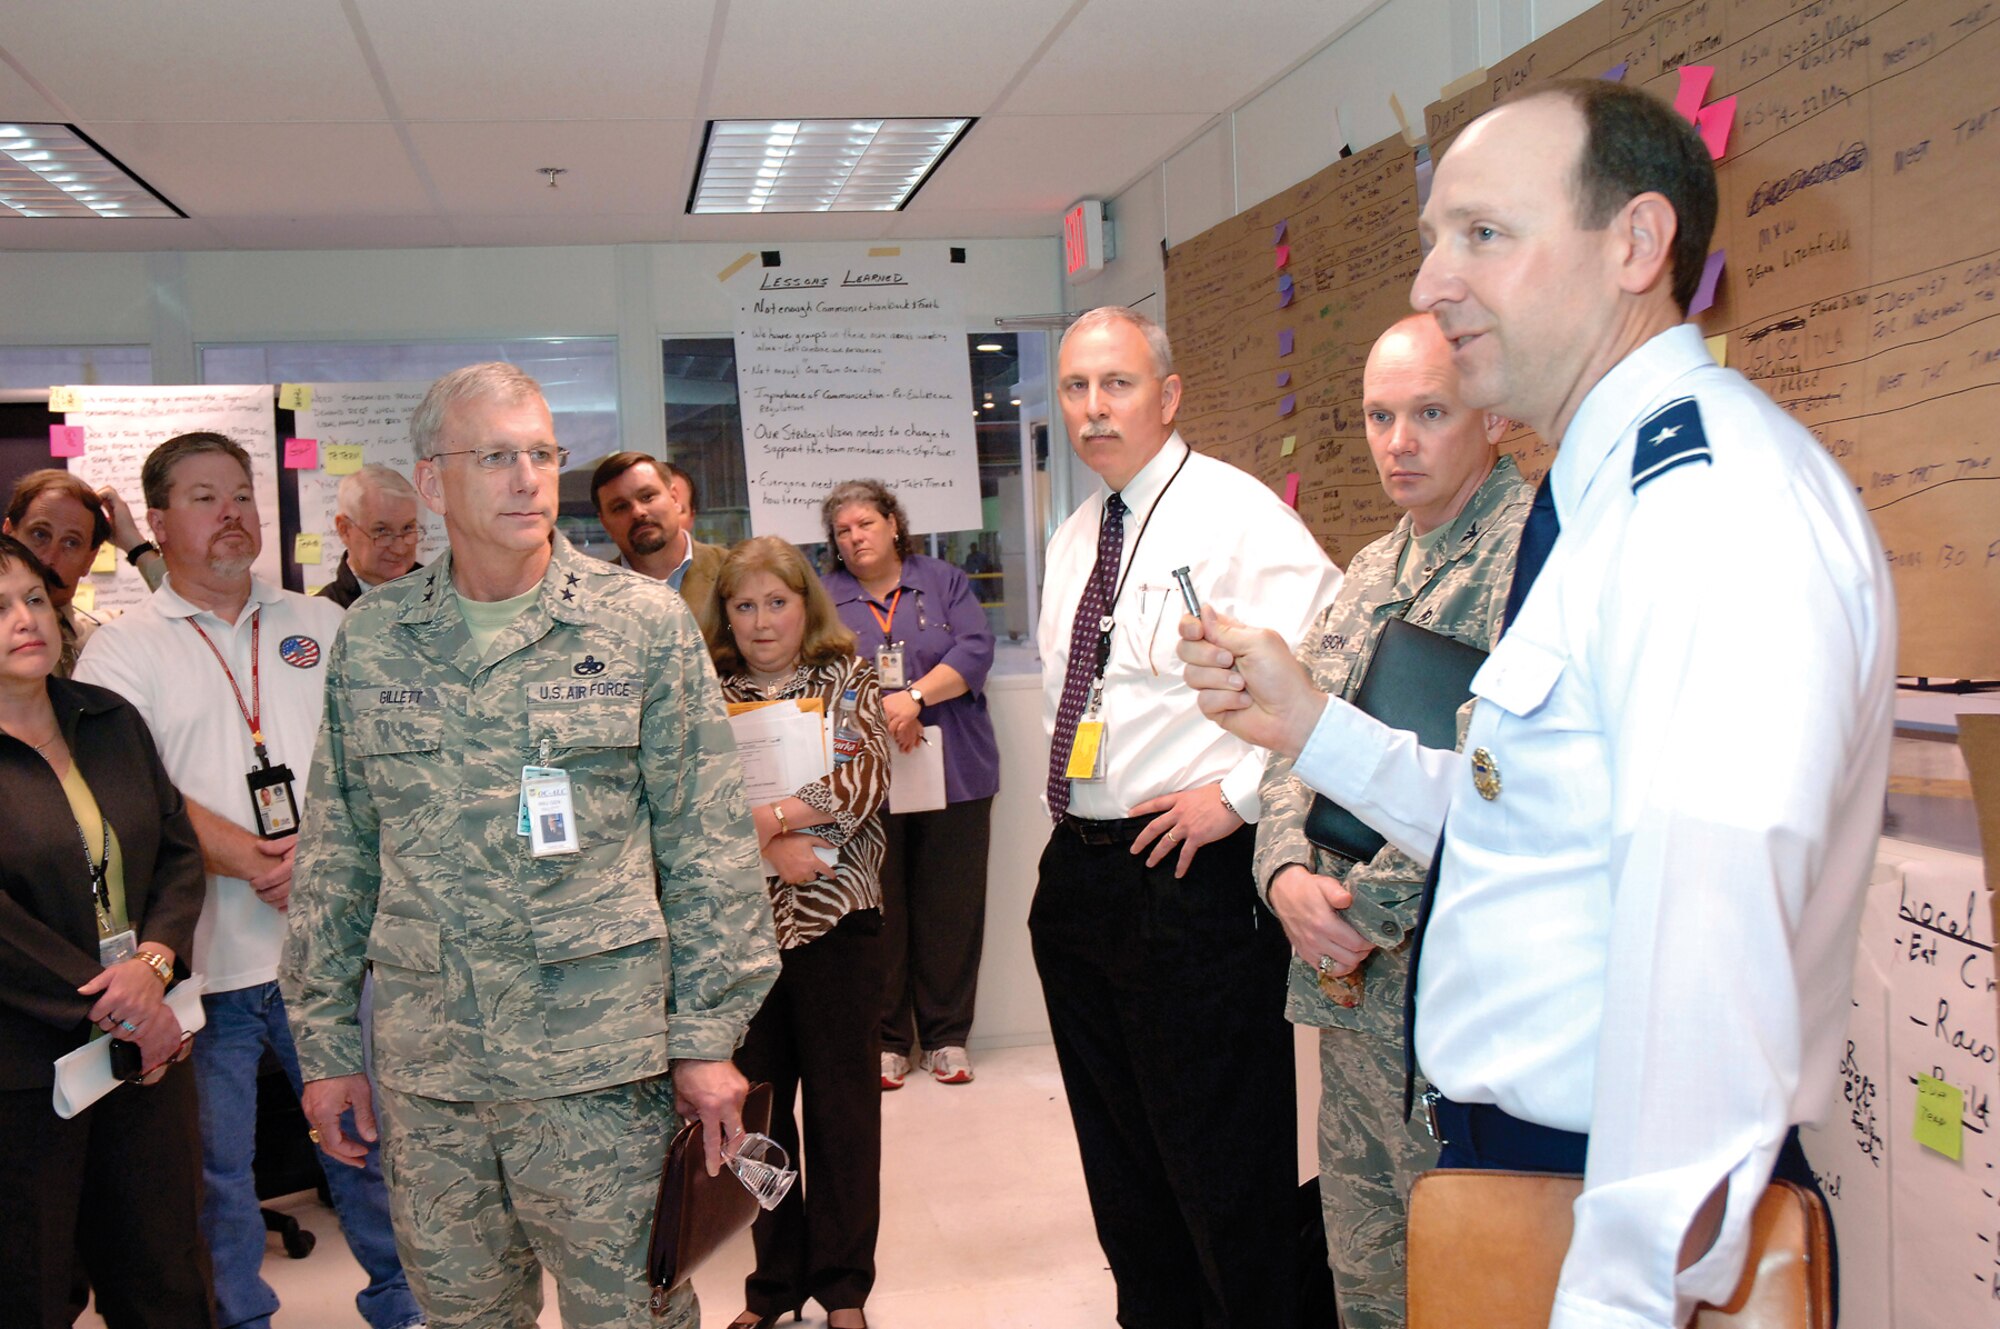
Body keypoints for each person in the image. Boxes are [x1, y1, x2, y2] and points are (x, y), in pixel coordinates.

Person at [1178, 79, 1893, 1328]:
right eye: (1431, 240)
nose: (1432, 283)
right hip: (1523, 1171)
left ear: (1635, 244)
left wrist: (1617, 1299)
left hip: (1621, 1207)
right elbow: (1532, 825)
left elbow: (1708, 972)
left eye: (1482, 235)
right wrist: (1309, 727)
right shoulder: (1608, 497)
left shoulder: (1705, 511)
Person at [280, 363, 779, 1329]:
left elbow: (708, 844)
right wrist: (327, 1043)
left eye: (542, 454)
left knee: (632, 1312)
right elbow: (339, 848)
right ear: (433, 481)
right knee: (463, 1317)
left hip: (603, 1070)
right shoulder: (377, 637)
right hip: (434, 1082)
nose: (528, 478)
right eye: (496, 456)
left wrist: (708, 1037)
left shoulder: (638, 625)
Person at [1034, 305, 1342, 1327]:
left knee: (1221, 1162)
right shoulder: (1078, 535)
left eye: (1114, 384)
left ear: (1166, 396)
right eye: (1075, 387)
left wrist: (1242, 797)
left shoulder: (1237, 516)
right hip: (1080, 870)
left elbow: (1336, 671)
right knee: (1122, 1170)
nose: (1092, 408)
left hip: (1188, 874)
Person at [74, 432, 421, 1329]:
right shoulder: (120, 652)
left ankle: (407, 1309)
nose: (230, 512)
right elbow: (135, 798)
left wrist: (319, 858)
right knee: (216, 1179)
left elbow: (375, 765)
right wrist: (262, 858)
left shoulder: (321, 624)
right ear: (156, 520)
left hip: (333, 957)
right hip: (206, 969)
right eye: (203, 497)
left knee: (372, 1153)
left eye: (241, 494)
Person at [1252, 313, 1532, 1329]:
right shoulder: (1369, 570)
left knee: (1471, 1290)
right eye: (1378, 415)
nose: (1396, 442)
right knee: (1364, 1281)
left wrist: (1352, 915)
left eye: (1426, 413)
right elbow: (1291, 741)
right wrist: (1283, 872)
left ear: (1493, 416)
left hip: (1451, 1013)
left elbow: (1501, 790)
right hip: (1349, 1011)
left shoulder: (1527, 565)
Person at [0, 535, 213, 1327]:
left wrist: (153, 966)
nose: (25, 619)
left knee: (165, 1275)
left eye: (31, 598)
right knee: (32, 1286)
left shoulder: (107, 716)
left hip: (143, 1054)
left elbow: (178, 852)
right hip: (22, 1070)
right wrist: (117, 999)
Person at [699, 535, 890, 1329]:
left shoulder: (844, 673)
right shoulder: (708, 687)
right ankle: (773, 1284)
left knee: (844, 1113)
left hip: (838, 921)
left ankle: (844, 1288)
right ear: (727, 616)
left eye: (776, 601)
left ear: (803, 604)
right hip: (744, 933)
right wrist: (772, 843)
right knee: (757, 1114)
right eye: (744, 606)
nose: (761, 620)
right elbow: (693, 799)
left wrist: (766, 818)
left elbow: (864, 775)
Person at [818, 479, 998, 1088]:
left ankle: (947, 1038)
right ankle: (889, 1041)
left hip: (957, 773)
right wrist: (882, 711)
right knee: (879, 910)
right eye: (842, 531)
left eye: (865, 524)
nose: (855, 537)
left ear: (893, 524)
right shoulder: (824, 597)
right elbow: (816, 675)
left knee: (951, 907)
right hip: (867, 779)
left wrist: (914, 698)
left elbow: (975, 651)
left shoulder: (942, 581)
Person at [4, 470, 165, 675]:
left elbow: (194, 623)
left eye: (71, 543)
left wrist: (136, 546)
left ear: (89, 559)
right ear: (9, 535)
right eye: (39, 534)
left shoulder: (112, 636)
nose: (48, 558)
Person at [591, 450, 724, 610]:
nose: (638, 512)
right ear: (605, 523)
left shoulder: (730, 571)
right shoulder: (592, 596)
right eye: (620, 507)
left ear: (674, 498)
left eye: (647, 497)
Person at [319, 464, 424, 608]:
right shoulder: (322, 615)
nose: (399, 549)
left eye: (407, 528)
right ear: (344, 530)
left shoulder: (445, 597)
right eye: (382, 531)